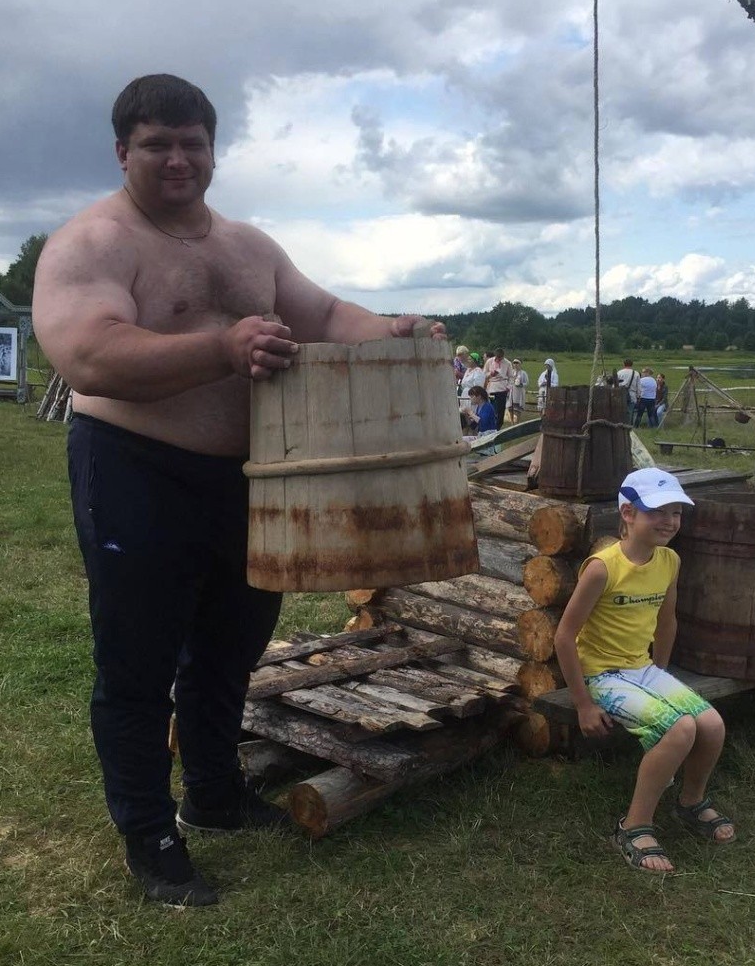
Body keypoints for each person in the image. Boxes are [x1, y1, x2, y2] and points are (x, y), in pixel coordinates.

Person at [31, 74, 446, 908]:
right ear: (122, 151)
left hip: (246, 479)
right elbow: (88, 354)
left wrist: (391, 329)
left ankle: (213, 794)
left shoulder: (249, 246)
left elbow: (325, 315)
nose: (176, 159)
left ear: (214, 150)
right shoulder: (94, 243)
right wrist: (221, 349)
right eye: (156, 144)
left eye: (192, 143)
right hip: (136, 467)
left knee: (231, 648)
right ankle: (150, 834)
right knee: (138, 661)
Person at [553, 468, 735, 873]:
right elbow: (564, 637)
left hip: (643, 668)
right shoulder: (603, 568)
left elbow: (667, 622)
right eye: (657, 512)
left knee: (711, 724)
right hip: (601, 676)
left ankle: (690, 801)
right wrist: (583, 705)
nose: (669, 521)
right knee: (680, 728)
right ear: (628, 513)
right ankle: (633, 825)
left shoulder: (669, 560)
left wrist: (660, 674)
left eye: (676, 512)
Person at [483, 346, 512, 429]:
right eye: (497, 357)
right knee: (492, 408)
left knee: (500, 410)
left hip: (502, 388)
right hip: (492, 387)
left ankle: (498, 426)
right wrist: (491, 374)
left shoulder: (507, 363)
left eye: (500, 358)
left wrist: (508, 386)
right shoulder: (489, 361)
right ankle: (491, 425)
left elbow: (511, 377)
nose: (498, 359)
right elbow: (484, 374)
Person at [508, 357, 529, 424]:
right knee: (511, 408)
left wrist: (521, 384)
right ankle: (512, 422)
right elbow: (509, 380)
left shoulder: (523, 373)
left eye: (517, 363)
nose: (515, 364)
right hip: (512, 390)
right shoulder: (511, 372)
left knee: (518, 409)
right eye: (514, 363)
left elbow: (527, 382)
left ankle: (517, 422)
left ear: (520, 364)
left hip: (519, 392)